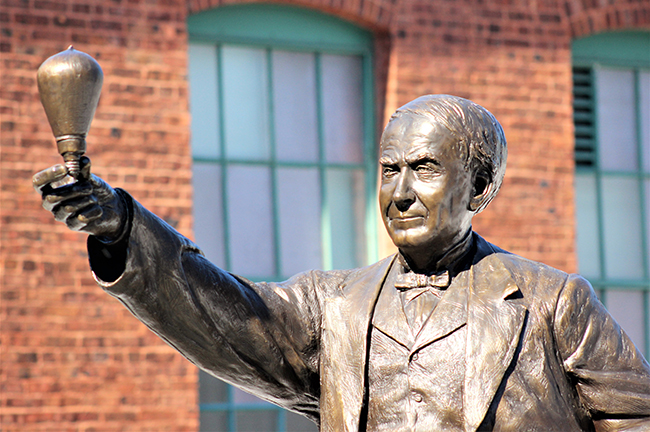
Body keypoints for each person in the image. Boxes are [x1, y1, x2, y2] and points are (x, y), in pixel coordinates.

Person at [34, 95, 650, 431]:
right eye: (389, 170)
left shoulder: (551, 303)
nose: (400, 192)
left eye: (425, 169)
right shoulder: (334, 307)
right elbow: (225, 315)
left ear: (480, 186)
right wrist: (123, 228)